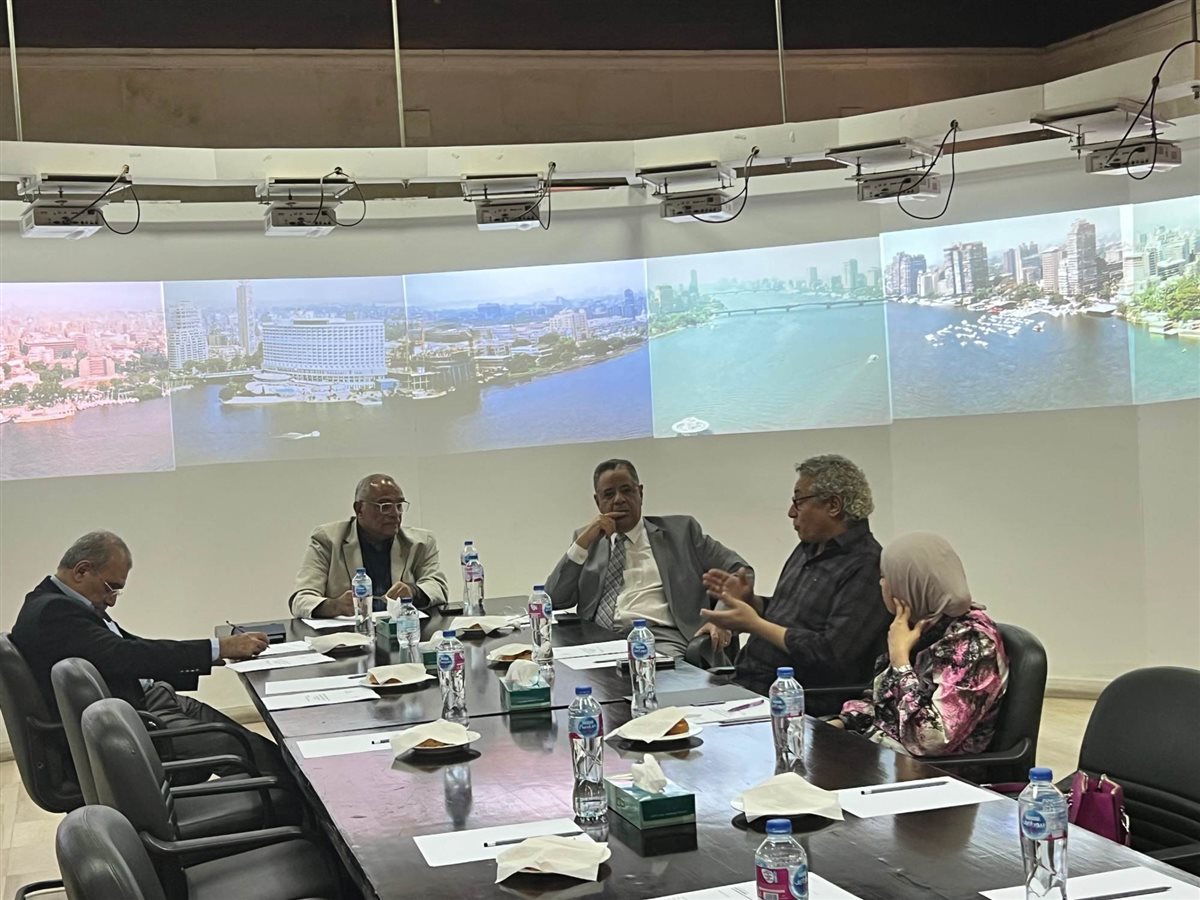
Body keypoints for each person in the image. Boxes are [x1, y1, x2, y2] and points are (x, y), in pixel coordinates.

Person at [10, 530, 286, 783]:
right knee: (252, 755)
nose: (112, 599)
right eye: (110, 587)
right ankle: (295, 814)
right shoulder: (53, 612)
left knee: (261, 750)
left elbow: (131, 645)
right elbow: (125, 655)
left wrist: (210, 653)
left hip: (151, 702)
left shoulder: (61, 603)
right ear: (82, 570)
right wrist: (218, 647)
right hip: (132, 724)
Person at [700, 454, 888, 712]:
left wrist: (755, 624)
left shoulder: (867, 565)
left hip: (799, 701)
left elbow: (832, 654)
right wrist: (752, 602)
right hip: (749, 684)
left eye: (799, 501)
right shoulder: (808, 548)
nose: (791, 513)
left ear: (833, 505)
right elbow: (791, 617)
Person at [544, 458, 751, 656]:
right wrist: (580, 545)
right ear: (598, 502)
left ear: (640, 493)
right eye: (609, 494)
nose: (619, 500)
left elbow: (741, 572)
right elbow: (554, 600)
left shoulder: (681, 532)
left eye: (627, 490)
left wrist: (721, 619)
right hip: (595, 641)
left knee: (656, 674)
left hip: (658, 638)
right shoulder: (588, 541)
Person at [831, 533, 1008, 757]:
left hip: (933, 770)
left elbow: (931, 739)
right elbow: (884, 704)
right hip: (885, 754)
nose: (881, 583)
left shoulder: (972, 642)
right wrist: (844, 722)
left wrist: (900, 662)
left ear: (909, 585)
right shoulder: (920, 626)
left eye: (885, 576)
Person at [289, 473, 449, 618]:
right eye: (385, 506)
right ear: (359, 509)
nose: (395, 514)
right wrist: (335, 606)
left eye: (399, 506)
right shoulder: (328, 540)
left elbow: (438, 587)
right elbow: (301, 599)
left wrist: (413, 591)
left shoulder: (420, 542)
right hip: (348, 635)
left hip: (403, 631)